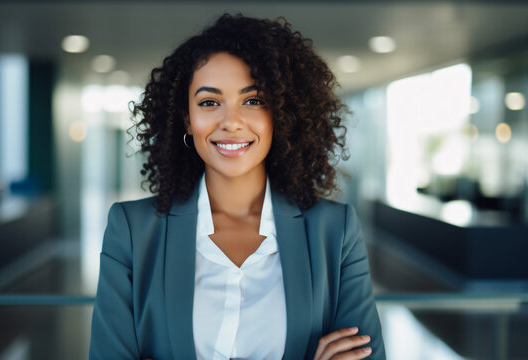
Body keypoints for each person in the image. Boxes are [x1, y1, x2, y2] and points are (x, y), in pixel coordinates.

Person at [89, 14, 385, 360]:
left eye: (253, 100)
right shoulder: (132, 230)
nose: (231, 122)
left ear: (281, 114)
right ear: (187, 117)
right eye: (209, 102)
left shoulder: (335, 231)